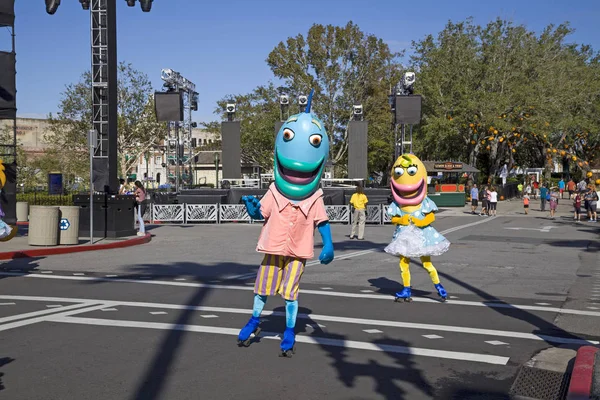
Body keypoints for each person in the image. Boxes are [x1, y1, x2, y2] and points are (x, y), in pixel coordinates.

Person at [237, 90, 334, 357]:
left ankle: (289, 330)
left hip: (298, 251)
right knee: (262, 288)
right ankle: (255, 320)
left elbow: (322, 220)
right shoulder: (273, 191)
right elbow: (261, 214)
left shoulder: (315, 196)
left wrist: (328, 245)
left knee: (290, 292)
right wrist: (253, 209)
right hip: (273, 247)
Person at [385, 154, 450, 302]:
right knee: (403, 263)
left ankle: (439, 286)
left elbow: (431, 217)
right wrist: (401, 219)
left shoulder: (424, 202)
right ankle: (406, 289)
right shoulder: (397, 205)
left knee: (427, 263)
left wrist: (420, 222)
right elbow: (393, 218)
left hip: (421, 236)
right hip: (404, 236)